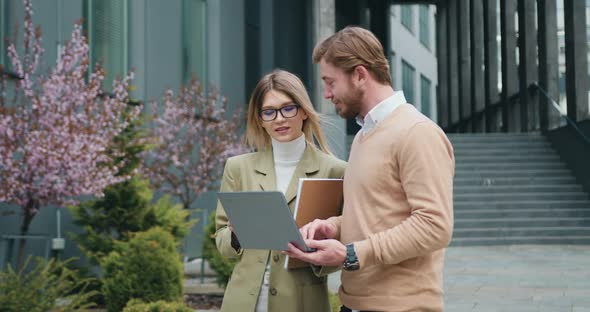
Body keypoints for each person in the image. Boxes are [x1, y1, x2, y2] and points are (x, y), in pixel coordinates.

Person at [284, 26, 455, 312]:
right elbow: (374, 213)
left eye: (330, 82)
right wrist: (334, 227)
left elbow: (435, 225)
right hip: (354, 303)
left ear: (360, 75)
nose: (326, 94)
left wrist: (351, 254)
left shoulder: (417, 132)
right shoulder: (365, 135)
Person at [214, 69, 347, 312]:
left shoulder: (336, 171)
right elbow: (222, 242)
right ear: (260, 119)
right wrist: (235, 233)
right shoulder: (238, 168)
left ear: (304, 110)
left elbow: (342, 248)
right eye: (269, 112)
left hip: (303, 303)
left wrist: (318, 251)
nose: (279, 118)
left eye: (288, 108)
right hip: (243, 302)